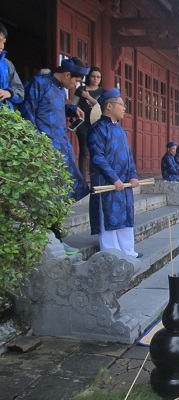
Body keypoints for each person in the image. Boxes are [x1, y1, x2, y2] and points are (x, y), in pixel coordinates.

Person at [20, 57, 90, 254]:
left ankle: (55, 237)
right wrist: (37, 148)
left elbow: (53, 107)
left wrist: (72, 109)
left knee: (65, 191)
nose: (75, 85)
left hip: (60, 148)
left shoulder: (60, 89)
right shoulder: (38, 83)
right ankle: (51, 239)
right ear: (67, 75)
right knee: (47, 195)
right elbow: (27, 115)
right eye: (76, 81)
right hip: (44, 150)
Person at [87, 88, 141, 258]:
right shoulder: (97, 129)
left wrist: (133, 175)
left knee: (125, 217)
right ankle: (113, 255)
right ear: (109, 106)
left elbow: (129, 156)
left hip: (123, 182)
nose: (124, 108)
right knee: (108, 218)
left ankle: (128, 252)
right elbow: (98, 157)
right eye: (121, 104)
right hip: (106, 182)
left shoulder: (120, 130)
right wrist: (114, 179)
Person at [72, 66, 106, 177]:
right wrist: (73, 121)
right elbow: (73, 105)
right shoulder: (81, 90)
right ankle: (82, 178)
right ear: (89, 77)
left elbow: (102, 106)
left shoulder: (103, 92)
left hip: (97, 124)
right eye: (93, 76)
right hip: (82, 124)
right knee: (84, 151)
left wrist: (87, 96)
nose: (95, 79)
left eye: (98, 77)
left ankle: (94, 176)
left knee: (96, 151)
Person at [0, 23, 24, 110]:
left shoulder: (7, 64)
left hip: (5, 115)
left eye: (3, 42)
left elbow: (20, 92)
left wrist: (9, 93)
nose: (2, 46)